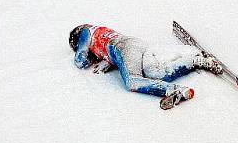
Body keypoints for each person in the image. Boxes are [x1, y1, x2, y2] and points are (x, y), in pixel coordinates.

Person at [69, 23, 222, 109]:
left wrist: (85, 55)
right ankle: (195, 61)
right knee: (156, 73)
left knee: (132, 82)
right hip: (134, 44)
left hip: (121, 47)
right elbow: (108, 51)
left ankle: (174, 90)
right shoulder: (99, 31)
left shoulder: (85, 32)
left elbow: (80, 60)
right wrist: (106, 61)